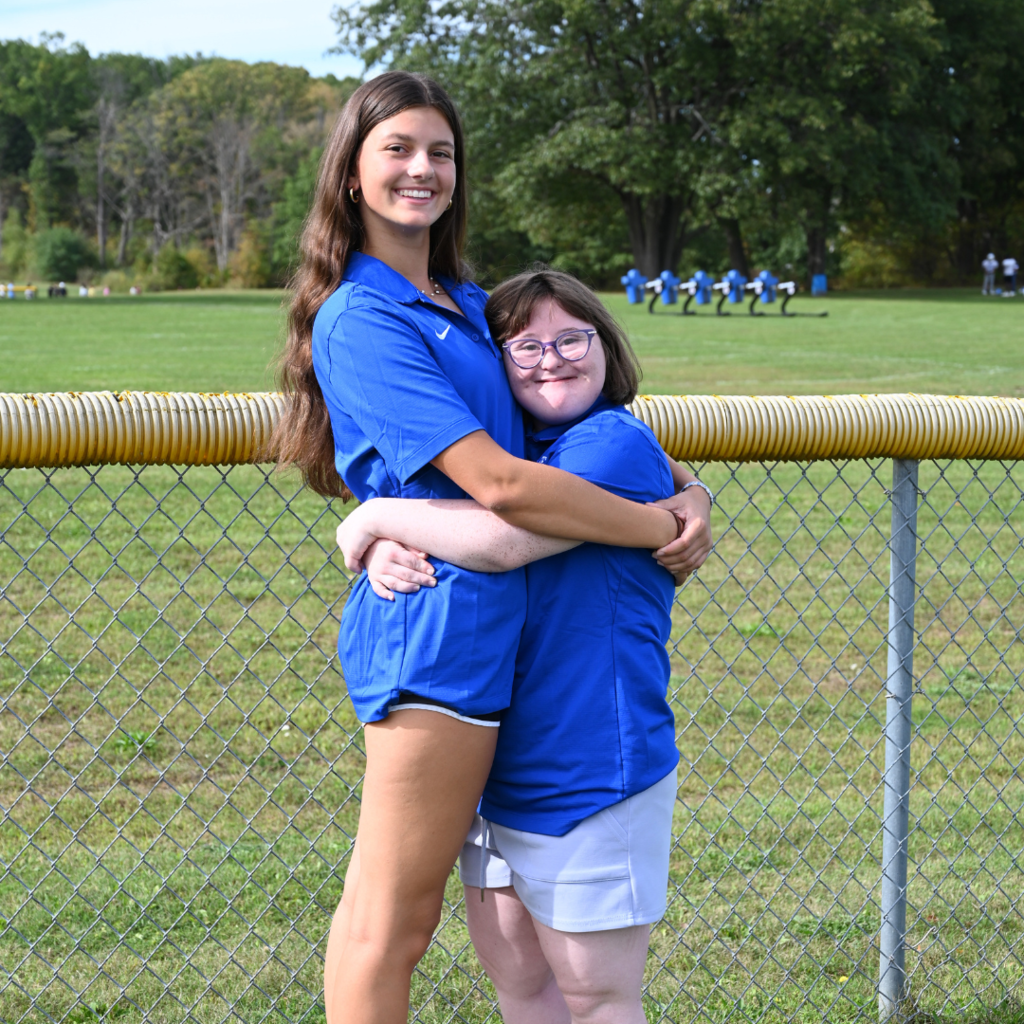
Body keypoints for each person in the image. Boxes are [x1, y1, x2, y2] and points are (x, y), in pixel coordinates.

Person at [271, 71, 712, 1024]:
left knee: (430, 922)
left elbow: (565, 431)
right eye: (396, 149)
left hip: (498, 636)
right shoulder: (365, 313)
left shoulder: (464, 301)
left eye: (441, 151)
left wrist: (689, 488)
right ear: (350, 173)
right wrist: (654, 525)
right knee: (390, 920)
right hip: (437, 628)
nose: (422, 169)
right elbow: (505, 486)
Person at [336, 268, 694, 1024]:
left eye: (572, 338)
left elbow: (500, 541)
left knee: (596, 998)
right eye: (523, 346)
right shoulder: (524, 447)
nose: (551, 359)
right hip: (493, 763)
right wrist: (376, 536)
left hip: (593, 765)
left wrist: (371, 520)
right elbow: (462, 503)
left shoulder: (612, 445)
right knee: (523, 988)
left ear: (608, 347)